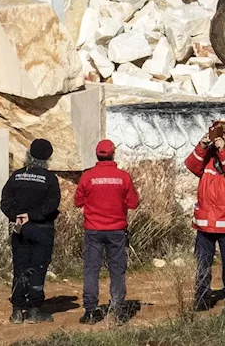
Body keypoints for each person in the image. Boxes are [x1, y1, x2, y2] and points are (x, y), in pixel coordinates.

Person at [185, 119, 225, 311]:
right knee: (202, 263)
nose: (219, 139)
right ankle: (202, 298)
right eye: (216, 135)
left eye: (223, 136)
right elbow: (191, 165)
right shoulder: (207, 159)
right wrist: (202, 146)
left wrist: (223, 151)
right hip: (205, 222)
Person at [75, 139, 140, 325]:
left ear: (97, 155)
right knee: (117, 271)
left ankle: (90, 311)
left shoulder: (88, 176)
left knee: (91, 270)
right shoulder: (123, 177)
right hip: (116, 231)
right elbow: (133, 203)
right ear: (113, 154)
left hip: (93, 230)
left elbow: (78, 201)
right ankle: (118, 310)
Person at [0, 138, 61, 324]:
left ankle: (17, 311)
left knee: (20, 268)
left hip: (20, 229)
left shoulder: (17, 176)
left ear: (29, 155)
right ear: (48, 157)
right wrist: (32, 215)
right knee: (38, 268)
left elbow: (5, 201)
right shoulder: (50, 179)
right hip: (42, 229)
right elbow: (52, 205)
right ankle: (34, 311)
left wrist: (16, 215)